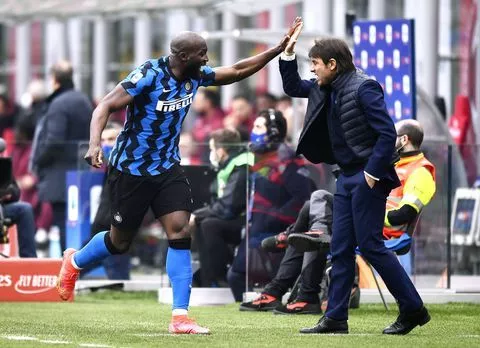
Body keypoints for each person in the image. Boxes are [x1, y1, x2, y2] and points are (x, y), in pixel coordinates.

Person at [56, 19, 302, 335]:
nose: (207, 60)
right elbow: (104, 106)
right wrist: (94, 144)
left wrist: (279, 49)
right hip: (131, 170)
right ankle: (74, 263)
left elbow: (238, 70)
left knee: (180, 231)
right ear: (183, 56)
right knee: (119, 242)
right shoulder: (148, 75)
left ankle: (180, 316)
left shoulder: (195, 76)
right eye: (202, 54)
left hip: (168, 168)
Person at [279, 24, 431, 335]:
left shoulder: (364, 87)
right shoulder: (326, 86)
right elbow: (293, 86)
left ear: (331, 64)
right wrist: (288, 52)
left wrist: (371, 176)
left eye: (315, 65)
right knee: (341, 249)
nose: (313, 71)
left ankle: (413, 309)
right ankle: (335, 318)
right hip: (346, 177)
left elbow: (388, 133)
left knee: (372, 247)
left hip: (366, 178)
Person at [226, 109, 315, 301]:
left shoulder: (289, 161)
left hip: (277, 234)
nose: (253, 131)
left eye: (259, 127)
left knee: (275, 283)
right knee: (235, 277)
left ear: (273, 132)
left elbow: (302, 199)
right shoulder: (257, 158)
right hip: (254, 230)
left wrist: (273, 217)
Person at [30, 60, 93, 251]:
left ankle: (70, 266)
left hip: (59, 176)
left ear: (55, 80)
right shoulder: (83, 100)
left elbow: (54, 141)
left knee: (63, 222)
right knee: (77, 222)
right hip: (81, 171)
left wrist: (39, 162)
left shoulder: (58, 104)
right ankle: (81, 263)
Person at [192, 128, 252, 287]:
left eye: (212, 149)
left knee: (209, 224)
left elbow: (228, 206)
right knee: (203, 222)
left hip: (248, 219)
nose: (211, 153)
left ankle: (218, 279)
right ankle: (208, 276)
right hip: (236, 216)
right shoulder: (230, 165)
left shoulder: (241, 166)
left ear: (222, 150)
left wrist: (198, 214)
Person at [191, 89, 225, 163]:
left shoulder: (221, 119)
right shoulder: (200, 118)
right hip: (199, 159)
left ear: (208, 102)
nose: (194, 104)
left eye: (197, 101)